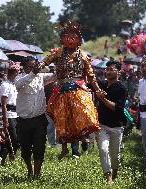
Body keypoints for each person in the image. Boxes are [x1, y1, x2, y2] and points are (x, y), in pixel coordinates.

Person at [41, 21, 102, 159]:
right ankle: (65, 149)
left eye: (73, 36)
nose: (70, 39)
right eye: (67, 35)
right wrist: (37, 67)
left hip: (79, 89)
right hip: (62, 90)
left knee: (85, 114)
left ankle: (84, 138)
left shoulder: (84, 56)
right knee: (62, 120)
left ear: (78, 39)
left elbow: (91, 76)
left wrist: (97, 90)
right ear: (62, 38)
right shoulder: (58, 53)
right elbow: (45, 61)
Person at [15, 56, 55, 178]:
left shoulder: (41, 77)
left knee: (39, 147)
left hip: (39, 119)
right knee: (25, 150)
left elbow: (56, 76)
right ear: (25, 67)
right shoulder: (19, 77)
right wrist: (33, 72)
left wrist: (59, 61)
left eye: (35, 66)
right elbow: (19, 84)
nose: (33, 69)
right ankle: (30, 170)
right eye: (30, 67)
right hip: (24, 121)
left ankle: (36, 174)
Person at [95, 61, 127, 184]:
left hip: (116, 127)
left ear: (119, 72)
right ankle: (108, 176)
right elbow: (90, 82)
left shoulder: (122, 89)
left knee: (115, 156)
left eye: (111, 69)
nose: (108, 71)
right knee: (103, 150)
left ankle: (115, 170)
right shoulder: (102, 84)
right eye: (107, 69)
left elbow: (117, 108)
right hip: (102, 125)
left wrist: (103, 99)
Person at [0, 63, 19, 161]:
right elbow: (3, 103)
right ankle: (11, 156)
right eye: (16, 72)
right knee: (13, 138)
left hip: (17, 112)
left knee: (18, 138)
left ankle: (5, 156)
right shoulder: (5, 85)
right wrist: (5, 118)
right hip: (9, 113)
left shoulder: (14, 84)